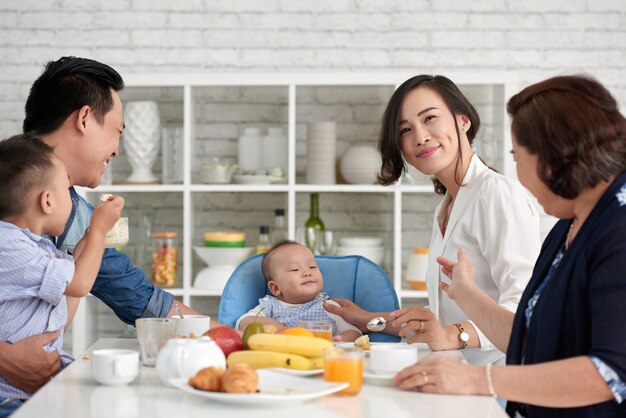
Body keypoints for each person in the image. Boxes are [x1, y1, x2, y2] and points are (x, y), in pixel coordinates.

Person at [393, 75, 626, 417]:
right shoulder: (568, 229)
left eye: (517, 156)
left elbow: (611, 375)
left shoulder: (618, 231)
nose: (517, 174)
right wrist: (466, 293)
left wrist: (478, 380)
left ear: (556, 152)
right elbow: (532, 336)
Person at [0, 56, 216, 396]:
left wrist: (235, 335)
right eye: (117, 131)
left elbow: (142, 300)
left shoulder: (81, 218)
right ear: (85, 118)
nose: (117, 151)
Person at [324, 75, 541, 365]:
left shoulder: (495, 193)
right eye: (405, 129)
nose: (420, 136)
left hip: (500, 384)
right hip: (459, 377)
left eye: (430, 118)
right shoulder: (445, 208)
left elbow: (525, 308)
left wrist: (454, 336)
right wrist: (367, 320)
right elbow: (441, 318)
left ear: (463, 120)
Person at [0, 134, 123, 414]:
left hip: (32, 393)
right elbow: (79, 284)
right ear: (47, 202)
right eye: (66, 190)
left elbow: (72, 279)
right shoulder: (10, 247)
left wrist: (93, 232)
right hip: (9, 400)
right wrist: (100, 232)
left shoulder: (33, 245)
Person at [236, 241, 362, 342]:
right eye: (295, 269)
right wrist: (273, 325)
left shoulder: (329, 308)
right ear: (275, 288)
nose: (307, 272)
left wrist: (338, 340)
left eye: (312, 267)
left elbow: (354, 333)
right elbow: (243, 322)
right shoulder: (270, 307)